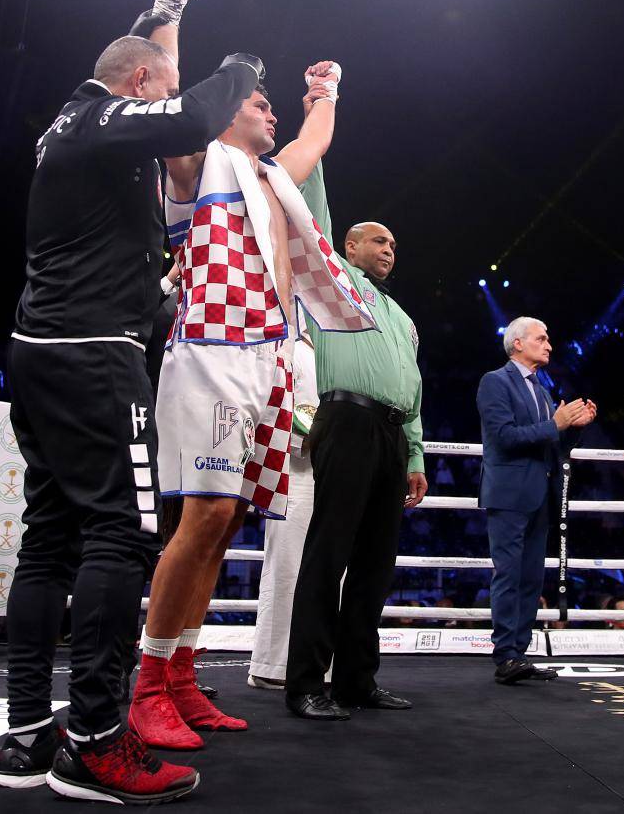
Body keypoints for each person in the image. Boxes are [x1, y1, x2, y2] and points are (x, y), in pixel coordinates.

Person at [0, 0, 263, 802]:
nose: (167, 89)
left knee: (50, 537)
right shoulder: (108, 118)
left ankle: (29, 733)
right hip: (91, 356)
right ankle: (100, 741)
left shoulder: (68, 128)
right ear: (138, 83)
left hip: (40, 348)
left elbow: (157, 65)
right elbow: (193, 112)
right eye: (160, 81)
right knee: (121, 533)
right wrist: (244, 67)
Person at [132, 61, 370, 750]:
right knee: (201, 516)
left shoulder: (271, 180)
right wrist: (176, 4)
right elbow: (169, 97)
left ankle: (180, 674)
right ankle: (147, 685)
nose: (272, 116)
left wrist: (324, 91)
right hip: (210, 348)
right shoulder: (197, 164)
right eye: (261, 106)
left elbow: (315, 138)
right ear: (228, 111)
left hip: (270, 357)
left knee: (227, 519)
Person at [283, 171, 428, 721]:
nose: (390, 250)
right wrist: (321, 116)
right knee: (329, 553)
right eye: (379, 240)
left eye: (393, 245)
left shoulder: (403, 318)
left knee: (375, 564)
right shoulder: (333, 280)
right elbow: (311, 211)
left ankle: (356, 680)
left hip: (392, 433)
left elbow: (413, 388)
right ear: (349, 245)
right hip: (344, 420)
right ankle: (305, 684)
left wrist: (414, 454)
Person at [477, 316, 597, 684]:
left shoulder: (542, 391)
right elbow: (504, 437)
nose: (549, 345)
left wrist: (573, 430)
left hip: (539, 495)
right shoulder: (495, 382)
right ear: (518, 343)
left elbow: (553, 446)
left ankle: (520, 653)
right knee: (509, 574)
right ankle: (505, 655)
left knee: (530, 577)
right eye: (541, 339)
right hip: (510, 493)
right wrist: (557, 424)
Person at [247, 327, 321, 688]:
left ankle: (322, 664)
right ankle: (271, 665)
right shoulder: (285, 334)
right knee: (286, 562)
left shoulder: (338, 339)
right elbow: (267, 387)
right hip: (294, 462)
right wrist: (297, 435)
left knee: (331, 568)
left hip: (336, 459)